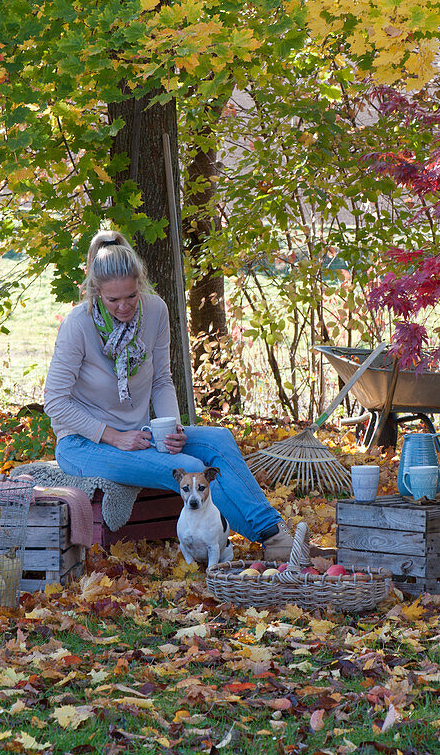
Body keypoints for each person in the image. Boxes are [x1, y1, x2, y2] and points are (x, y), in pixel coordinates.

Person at [43, 230, 299, 560]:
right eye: (113, 300)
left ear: (141, 285)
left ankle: (276, 536)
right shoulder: (77, 325)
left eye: (131, 297)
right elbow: (56, 402)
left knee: (218, 439)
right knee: (191, 465)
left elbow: (163, 380)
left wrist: (173, 429)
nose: (124, 306)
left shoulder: (156, 311)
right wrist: (113, 437)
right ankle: (272, 544)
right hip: (83, 443)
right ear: (96, 293)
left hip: (140, 435)